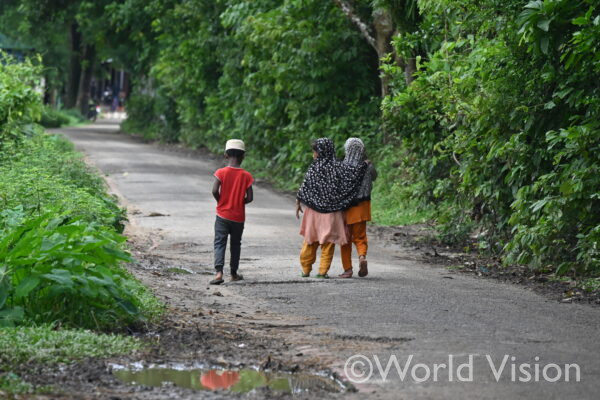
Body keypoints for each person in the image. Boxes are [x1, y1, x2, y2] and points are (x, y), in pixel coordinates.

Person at [296, 138, 366, 278]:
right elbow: (351, 178)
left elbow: (305, 188)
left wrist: (298, 203)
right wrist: (364, 165)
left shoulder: (314, 168)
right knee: (328, 245)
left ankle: (305, 269)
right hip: (332, 214)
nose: (313, 154)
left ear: (319, 152)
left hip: (313, 214)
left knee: (310, 241)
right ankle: (322, 272)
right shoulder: (339, 167)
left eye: (314, 151)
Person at [210, 139, 254, 285]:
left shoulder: (220, 172)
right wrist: (239, 202)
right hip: (238, 217)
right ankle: (234, 273)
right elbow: (250, 198)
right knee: (236, 244)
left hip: (222, 215)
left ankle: (218, 273)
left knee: (219, 243)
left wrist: (221, 201)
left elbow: (215, 190)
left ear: (225, 155)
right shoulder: (246, 175)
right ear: (243, 156)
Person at [339, 138, 377, 278]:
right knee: (360, 237)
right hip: (363, 206)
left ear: (347, 150)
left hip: (346, 209)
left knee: (345, 240)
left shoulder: (342, 166)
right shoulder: (367, 166)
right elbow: (374, 177)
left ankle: (347, 269)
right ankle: (362, 257)